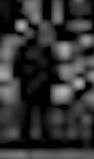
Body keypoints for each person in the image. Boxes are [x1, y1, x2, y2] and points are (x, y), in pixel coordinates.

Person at [13, 15, 61, 148]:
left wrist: (41, 80)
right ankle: (25, 138)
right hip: (27, 85)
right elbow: (18, 68)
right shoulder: (23, 49)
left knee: (44, 113)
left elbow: (51, 69)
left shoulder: (47, 50)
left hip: (42, 85)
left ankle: (45, 138)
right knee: (27, 113)